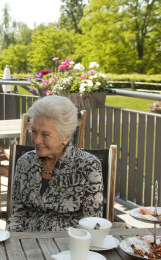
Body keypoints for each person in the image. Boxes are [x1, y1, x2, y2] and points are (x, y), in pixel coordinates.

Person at [6, 95, 103, 232]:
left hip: (68, 245)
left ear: (66, 136)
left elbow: (93, 224)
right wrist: (14, 243)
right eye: (34, 131)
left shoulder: (87, 166)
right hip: (26, 241)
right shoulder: (25, 162)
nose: (37, 140)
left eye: (46, 134)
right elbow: (17, 215)